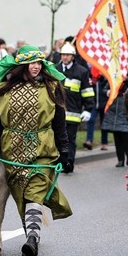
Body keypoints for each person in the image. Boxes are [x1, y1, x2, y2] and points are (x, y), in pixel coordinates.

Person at [0, 45, 73, 256]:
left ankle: (32, 238)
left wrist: (65, 150)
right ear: (22, 65)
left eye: (39, 62)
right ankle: (32, 233)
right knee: (22, 196)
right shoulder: (6, 88)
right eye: (32, 63)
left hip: (42, 149)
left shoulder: (51, 87)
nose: (36, 66)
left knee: (35, 191)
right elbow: (0, 122)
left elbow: (59, 123)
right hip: (12, 151)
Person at [54, 42, 94, 173]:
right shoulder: (54, 70)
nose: (65, 57)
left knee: (70, 139)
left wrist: (88, 109)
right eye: (63, 55)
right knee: (56, 138)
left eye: (67, 55)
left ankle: (69, 162)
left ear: (73, 57)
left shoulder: (81, 72)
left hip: (73, 112)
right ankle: (58, 161)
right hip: (56, 113)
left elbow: (87, 91)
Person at [101, 76, 128, 167]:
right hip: (113, 112)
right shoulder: (113, 78)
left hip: (124, 111)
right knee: (117, 139)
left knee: (126, 138)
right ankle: (120, 160)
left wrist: (127, 80)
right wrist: (108, 91)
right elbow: (104, 89)